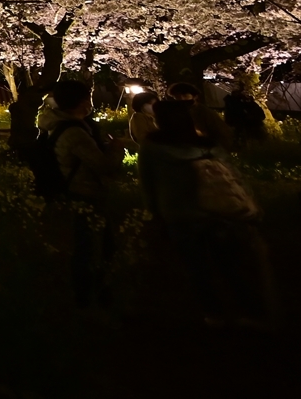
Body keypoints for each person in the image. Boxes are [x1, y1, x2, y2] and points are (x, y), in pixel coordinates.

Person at [141, 99, 275, 329]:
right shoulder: (208, 144)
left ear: (159, 120)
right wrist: (249, 204)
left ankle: (214, 314)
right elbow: (234, 176)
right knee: (231, 265)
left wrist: (154, 212)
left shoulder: (152, 146)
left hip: (180, 216)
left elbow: (148, 183)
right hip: (219, 212)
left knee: (197, 269)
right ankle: (251, 312)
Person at [39, 77, 125, 306]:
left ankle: (93, 291)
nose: (90, 102)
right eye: (88, 98)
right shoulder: (74, 132)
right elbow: (103, 165)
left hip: (79, 190)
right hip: (85, 192)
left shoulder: (65, 124)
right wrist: (117, 150)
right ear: (81, 101)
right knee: (91, 247)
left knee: (91, 245)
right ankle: (89, 295)